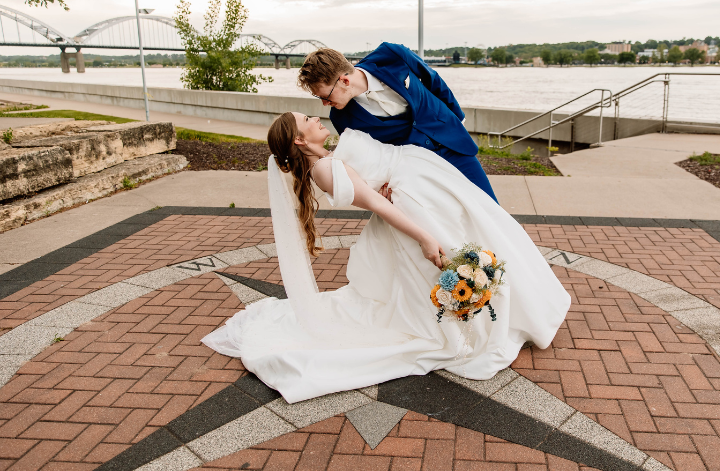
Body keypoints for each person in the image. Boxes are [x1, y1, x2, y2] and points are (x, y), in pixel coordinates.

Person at [202, 112, 570, 404]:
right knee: (436, 272)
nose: (316, 119)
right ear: (300, 139)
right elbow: (377, 203)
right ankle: (475, 322)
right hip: (409, 221)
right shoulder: (325, 169)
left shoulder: (326, 162)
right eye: (307, 121)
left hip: (409, 203)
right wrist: (425, 236)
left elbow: (372, 190)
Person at [296, 44, 498, 202]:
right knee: (453, 221)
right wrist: (381, 187)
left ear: (345, 81)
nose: (324, 103)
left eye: (326, 96)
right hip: (418, 171)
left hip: (453, 142)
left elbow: (433, 80)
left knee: (489, 208)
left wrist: (457, 118)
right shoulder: (342, 118)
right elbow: (370, 155)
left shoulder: (391, 55)